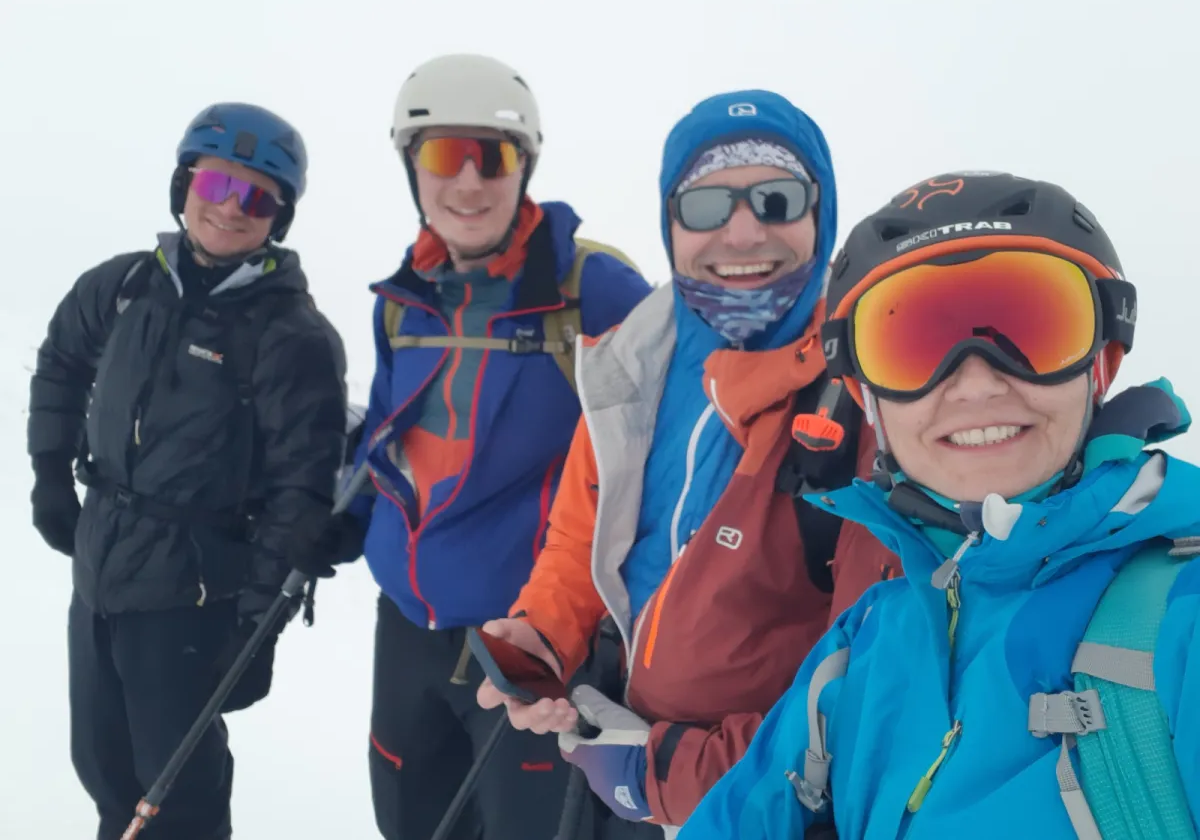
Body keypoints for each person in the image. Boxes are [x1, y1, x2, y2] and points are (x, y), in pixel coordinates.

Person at [676, 171, 1200, 839]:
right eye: (915, 343)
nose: (976, 384)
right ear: (869, 400)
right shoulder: (864, 641)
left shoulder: (1182, 615)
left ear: (1099, 364)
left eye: (1033, 327)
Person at [476, 89, 903, 838]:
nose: (742, 233)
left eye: (776, 200)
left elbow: (867, 674)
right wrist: (544, 634)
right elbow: (582, 540)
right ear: (669, 223)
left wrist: (667, 774)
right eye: (706, 206)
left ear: (822, 213)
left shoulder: (871, 390)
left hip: (765, 796)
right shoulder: (632, 361)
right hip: (625, 747)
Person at [326, 53, 652, 840]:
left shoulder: (592, 290)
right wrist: (343, 517)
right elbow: (389, 434)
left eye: (493, 156)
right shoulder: (405, 300)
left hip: (527, 640)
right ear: (412, 166)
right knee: (411, 825)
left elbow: (656, 451)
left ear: (524, 165)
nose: (468, 182)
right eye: (445, 155)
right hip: (407, 627)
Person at [26, 102, 349, 840]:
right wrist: (50, 471)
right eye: (216, 185)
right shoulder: (124, 286)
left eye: (256, 199)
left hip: (193, 596)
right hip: (100, 574)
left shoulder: (292, 336)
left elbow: (300, 494)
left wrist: (258, 625)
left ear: (279, 217)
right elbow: (63, 361)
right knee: (103, 771)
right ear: (184, 186)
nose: (230, 210)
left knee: (177, 800)